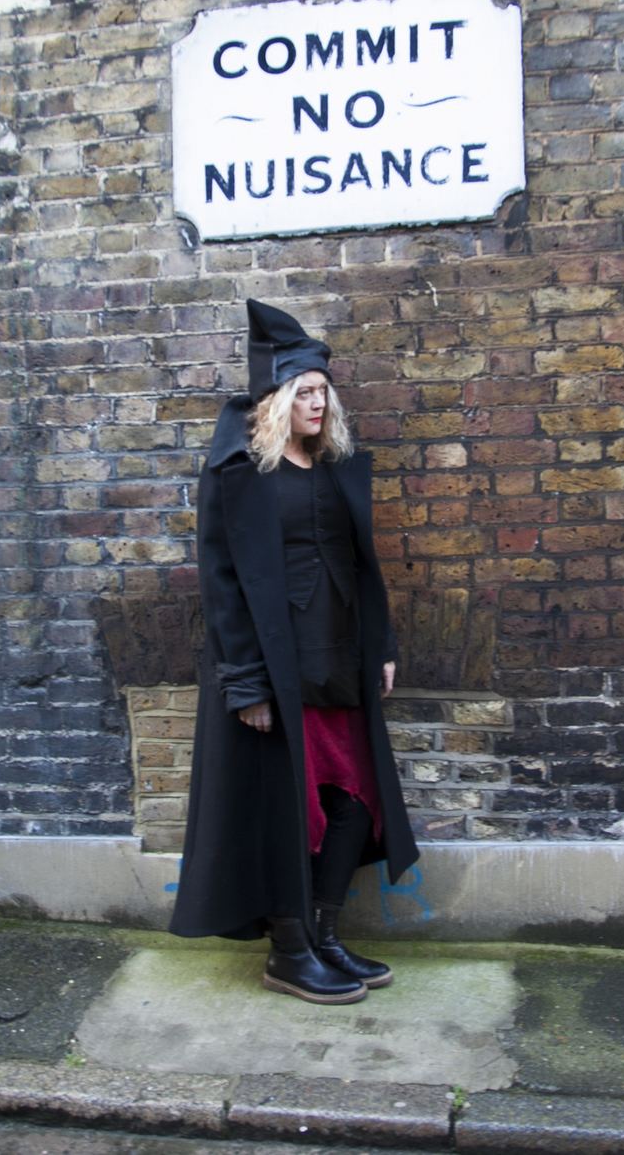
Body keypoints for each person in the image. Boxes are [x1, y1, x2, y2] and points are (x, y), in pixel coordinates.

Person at [169, 298, 419, 1005]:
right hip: (274, 669)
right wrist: (243, 683)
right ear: (276, 398)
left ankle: (324, 933)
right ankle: (288, 949)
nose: (317, 402)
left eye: (322, 391)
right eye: (303, 392)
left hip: (339, 658)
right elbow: (221, 584)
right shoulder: (240, 473)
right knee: (284, 807)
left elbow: (364, 564)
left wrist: (384, 645)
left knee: (352, 801)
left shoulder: (335, 466)